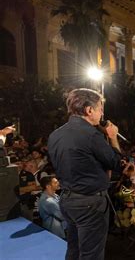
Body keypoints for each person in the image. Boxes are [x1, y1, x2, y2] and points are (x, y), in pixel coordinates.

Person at [48, 88, 122, 260]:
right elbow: (115, 163)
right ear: (89, 110)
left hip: (67, 200)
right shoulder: (91, 135)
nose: (102, 113)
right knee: (91, 255)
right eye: (100, 108)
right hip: (90, 203)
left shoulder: (55, 135)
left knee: (73, 249)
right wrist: (112, 137)